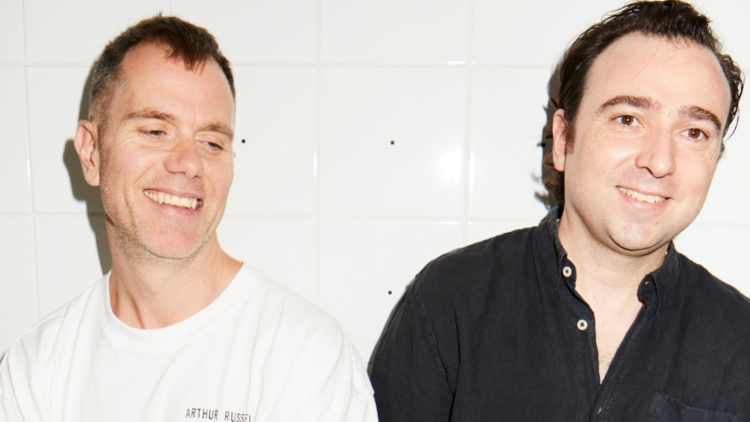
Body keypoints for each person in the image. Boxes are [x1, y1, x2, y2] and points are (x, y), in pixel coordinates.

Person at [370, 1, 750, 420]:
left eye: (694, 132)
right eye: (627, 119)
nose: (660, 161)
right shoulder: (448, 302)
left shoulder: (741, 341)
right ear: (564, 139)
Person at [0, 15, 376, 422]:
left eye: (212, 142)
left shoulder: (304, 358)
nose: (189, 163)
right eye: (155, 131)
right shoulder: (34, 369)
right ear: (91, 154)